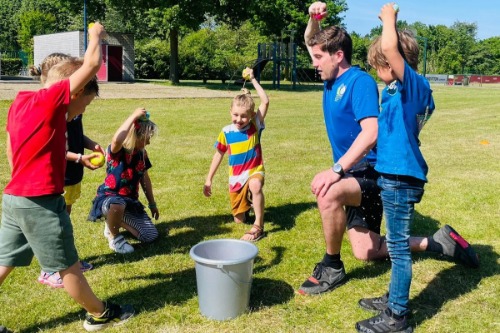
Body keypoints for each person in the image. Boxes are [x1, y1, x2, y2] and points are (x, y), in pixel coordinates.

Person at [298, 2, 479, 297]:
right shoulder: (330, 78)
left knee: (328, 192)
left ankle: (331, 266)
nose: (314, 62)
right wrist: (312, 19)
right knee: (366, 252)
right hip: (356, 172)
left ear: (338, 55)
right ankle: (437, 242)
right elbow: (311, 41)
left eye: (319, 57)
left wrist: (336, 170)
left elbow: (371, 133)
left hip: (372, 172)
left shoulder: (359, 82)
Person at [0, 23, 135, 332]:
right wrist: (95, 35)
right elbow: (92, 64)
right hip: (40, 203)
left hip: (14, 197)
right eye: (84, 103)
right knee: (67, 266)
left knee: (4, 260)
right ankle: (100, 314)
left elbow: (14, 148)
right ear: (71, 92)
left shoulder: (20, 102)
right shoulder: (51, 103)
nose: (80, 111)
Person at [355, 4, 480, 332]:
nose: (374, 71)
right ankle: (392, 298)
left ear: (391, 61)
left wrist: (388, 21)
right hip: (391, 175)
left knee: (397, 250)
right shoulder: (395, 91)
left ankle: (397, 316)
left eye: (377, 65)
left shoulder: (415, 87)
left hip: (400, 178)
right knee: (396, 245)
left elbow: (388, 47)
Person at [31, 53, 106, 288]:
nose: (84, 109)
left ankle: (67, 261)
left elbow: (75, 137)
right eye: (85, 102)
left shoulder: (73, 111)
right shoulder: (53, 113)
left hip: (73, 173)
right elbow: (52, 150)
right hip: (59, 176)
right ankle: (49, 268)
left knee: (65, 221)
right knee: (53, 224)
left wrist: (91, 145)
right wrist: (80, 157)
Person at [203, 67, 270, 241]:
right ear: (230, 112)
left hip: (254, 170)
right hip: (236, 178)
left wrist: (253, 79)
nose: (239, 120)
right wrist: (209, 178)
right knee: (238, 220)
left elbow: (265, 101)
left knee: (255, 185)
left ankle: (259, 225)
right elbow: (218, 155)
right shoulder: (226, 132)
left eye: (244, 116)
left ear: (252, 115)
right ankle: (247, 205)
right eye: (235, 115)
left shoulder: (255, 125)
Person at [88, 108, 160, 254]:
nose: (149, 142)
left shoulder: (142, 154)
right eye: (147, 137)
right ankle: (114, 237)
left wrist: (152, 203)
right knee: (117, 203)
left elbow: (145, 179)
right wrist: (133, 115)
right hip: (110, 199)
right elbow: (116, 139)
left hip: (130, 202)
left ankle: (113, 221)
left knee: (150, 235)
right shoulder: (117, 151)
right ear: (137, 136)